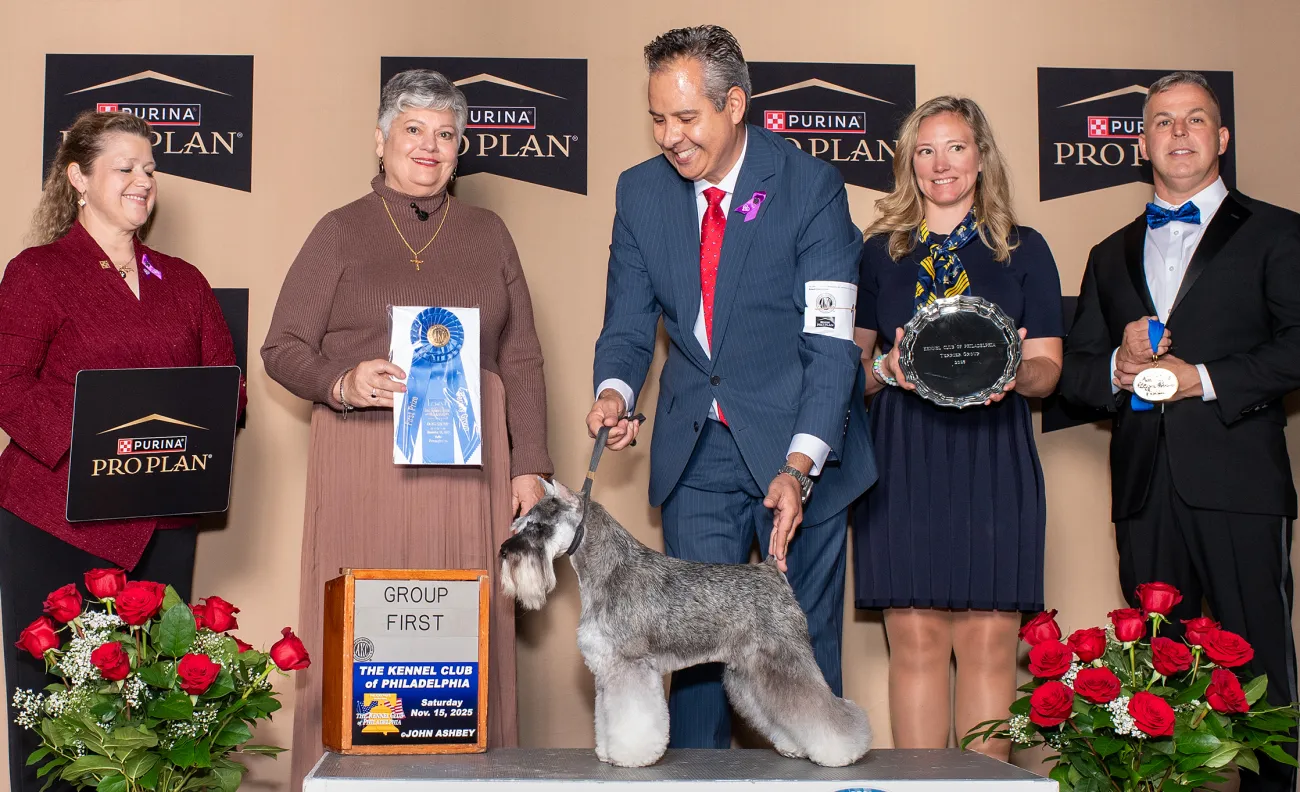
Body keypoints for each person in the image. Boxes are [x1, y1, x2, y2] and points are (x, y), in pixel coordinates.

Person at [585, 25, 875, 749]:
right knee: (694, 670)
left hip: (801, 443)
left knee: (801, 655)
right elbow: (627, 323)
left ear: (735, 104)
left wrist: (800, 466)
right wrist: (616, 391)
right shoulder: (640, 192)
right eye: (657, 118)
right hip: (697, 454)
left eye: (686, 119)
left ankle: (823, 764)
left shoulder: (809, 185)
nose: (669, 137)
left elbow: (831, 343)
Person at [261, 69, 552, 786]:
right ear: (381, 140)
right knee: (367, 631)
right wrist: (342, 381)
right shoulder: (339, 230)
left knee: (462, 627)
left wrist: (531, 465)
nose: (430, 147)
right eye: (414, 130)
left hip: (472, 466)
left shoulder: (488, 233)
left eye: (445, 134)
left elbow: (520, 354)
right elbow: (282, 348)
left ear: (460, 148)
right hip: (364, 459)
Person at [1061, 71, 1300, 791]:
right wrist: (1116, 364)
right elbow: (1073, 373)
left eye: (1195, 119)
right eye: (1163, 121)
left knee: (1259, 671)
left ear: (1221, 138)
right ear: (1142, 141)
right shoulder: (1108, 253)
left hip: (1239, 482)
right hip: (1144, 488)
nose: (1179, 132)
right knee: (1149, 682)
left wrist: (1207, 377)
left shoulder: (1278, 232)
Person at [0, 110, 243, 792]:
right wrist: (101, 419)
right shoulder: (37, 272)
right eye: (125, 168)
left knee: (153, 706)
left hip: (160, 517)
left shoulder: (184, 281)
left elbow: (229, 388)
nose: (143, 181)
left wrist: (213, 408)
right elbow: (8, 385)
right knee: (54, 707)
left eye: (150, 169)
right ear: (79, 178)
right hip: (54, 519)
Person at [853, 96, 1063, 759]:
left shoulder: (1026, 251)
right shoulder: (878, 254)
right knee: (914, 643)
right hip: (904, 455)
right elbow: (849, 372)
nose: (941, 164)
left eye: (956, 148)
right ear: (908, 163)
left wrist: (1012, 373)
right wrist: (884, 369)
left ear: (981, 158)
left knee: (989, 643)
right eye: (925, 150)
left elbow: (1048, 369)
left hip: (992, 454)